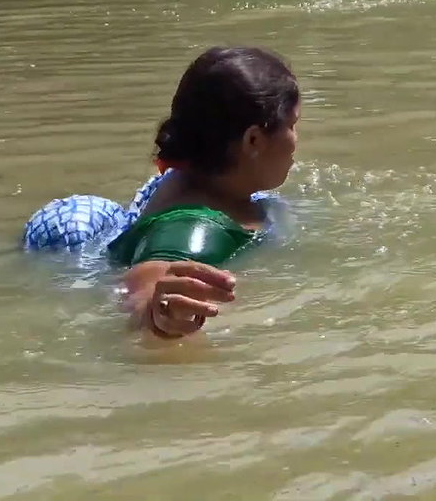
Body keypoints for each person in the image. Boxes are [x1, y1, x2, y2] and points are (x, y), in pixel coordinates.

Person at [105, 46, 301, 339]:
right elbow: (153, 275)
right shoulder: (195, 226)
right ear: (254, 140)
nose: (296, 140)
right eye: (292, 125)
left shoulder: (189, 179)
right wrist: (159, 315)